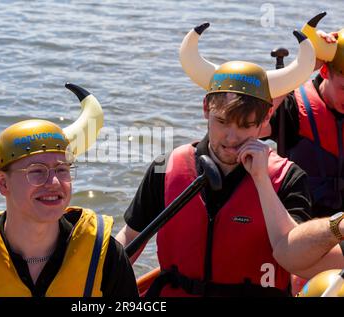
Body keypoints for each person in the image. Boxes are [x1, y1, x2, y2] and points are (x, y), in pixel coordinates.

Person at [116, 23, 317, 297]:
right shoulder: (166, 168)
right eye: (221, 121)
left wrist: (261, 180)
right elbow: (130, 238)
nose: (231, 137)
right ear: (205, 108)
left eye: (245, 126)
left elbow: (297, 256)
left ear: (265, 120)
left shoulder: (288, 179)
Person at [0, 83, 138, 297]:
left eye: (62, 170)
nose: (54, 182)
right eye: (36, 171)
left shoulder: (105, 256)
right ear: (3, 183)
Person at [266, 13, 344, 219]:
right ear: (326, 71)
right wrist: (304, 67)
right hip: (303, 228)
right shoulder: (293, 108)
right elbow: (248, 126)